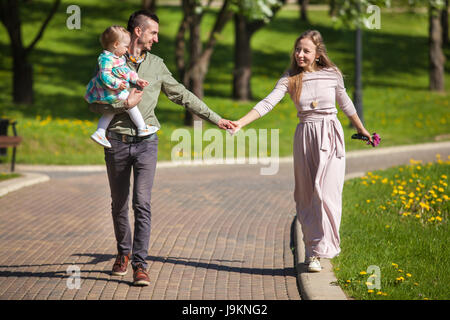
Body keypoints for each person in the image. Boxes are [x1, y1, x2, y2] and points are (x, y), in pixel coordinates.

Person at [88, 10, 236, 286]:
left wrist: (216, 119)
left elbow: (181, 93)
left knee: (141, 203)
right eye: (153, 32)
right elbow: (94, 102)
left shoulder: (156, 65)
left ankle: (140, 265)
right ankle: (123, 253)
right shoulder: (109, 60)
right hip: (116, 141)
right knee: (119, 204)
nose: (157, 38)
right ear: (138, 32)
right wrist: (123, 105)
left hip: (147, 142)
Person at [230, 30, 373, 273]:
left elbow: (346, 103)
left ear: (318, 54)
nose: (300, 54)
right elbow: (267, 103)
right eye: (297, 50)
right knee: (307, 196)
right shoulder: (290, 78)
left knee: (327, 194)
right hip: (305, 136)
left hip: (330, 134)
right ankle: (313, 252)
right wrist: (241, 122)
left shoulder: (332, 75)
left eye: (306, 50)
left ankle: (323, 247)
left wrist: (363, 129)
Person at [85, 25, 158, 148]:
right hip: (106, 92)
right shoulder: (106, 59)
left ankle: (100, 132)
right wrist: (118, 83)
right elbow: (105, 76)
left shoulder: (117, 58)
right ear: (116, 44)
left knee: (109, 114)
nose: (127, 48)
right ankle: (141, 127)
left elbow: (125, 72)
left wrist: (137, 79)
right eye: (125, 46)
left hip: (110, 92)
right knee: (130, 102)